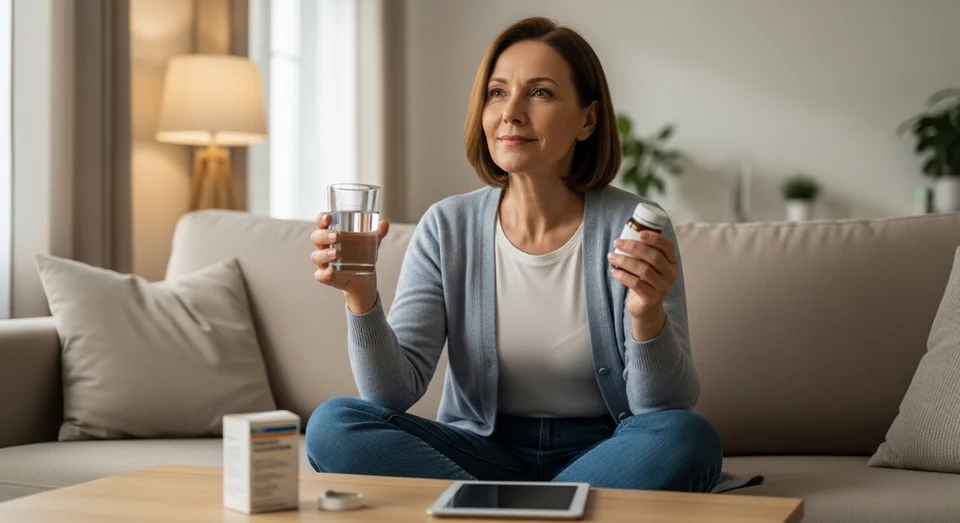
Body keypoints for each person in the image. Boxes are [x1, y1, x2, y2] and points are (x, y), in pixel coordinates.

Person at [306, 16, 722, 493]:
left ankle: (488, 509)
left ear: (587, 119)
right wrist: (361, 295)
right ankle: (547, 508)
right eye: (497, 92)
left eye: (540, 93)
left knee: (687, 437)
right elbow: (391, 394)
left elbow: (659, 408)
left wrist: (647, 315)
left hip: (609, 453)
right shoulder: (448, 226)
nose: (511, 112)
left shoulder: (633, 225)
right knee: (333, 424)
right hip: (481, 452)